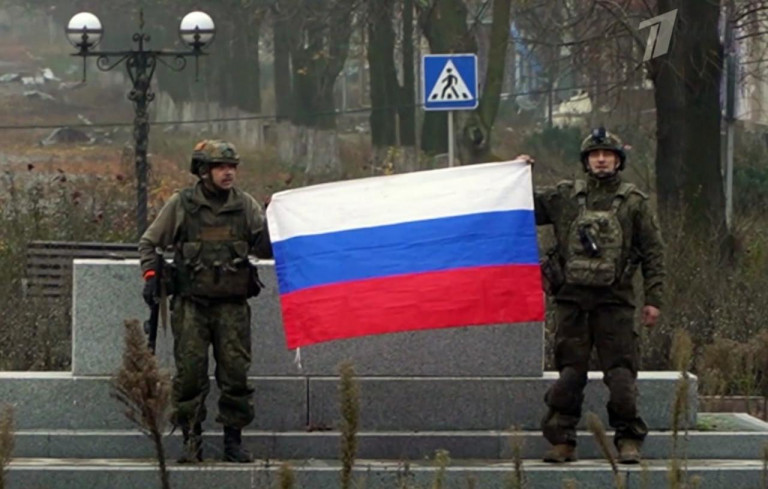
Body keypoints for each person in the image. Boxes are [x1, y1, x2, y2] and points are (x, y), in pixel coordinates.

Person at [519, 127, 665, 464]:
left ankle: (629, 439)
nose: (601, 160)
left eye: (607, 155)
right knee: (570, 376)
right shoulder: (564, 197)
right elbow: (523, 207)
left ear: (618, 161)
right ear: (586, 161)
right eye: (595, 155)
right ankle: (562, 440)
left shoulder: (635, 204)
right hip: (572, 302)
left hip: (616, 303)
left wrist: (654, 299)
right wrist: (520, 173)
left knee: (621, 377)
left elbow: (654, 253)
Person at [138, 139, 273, 463]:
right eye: (220, 167)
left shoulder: (245, 205)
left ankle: (233, 443)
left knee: (236, 375)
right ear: (203, 171)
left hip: (232, 307)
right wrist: (151, 277)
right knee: (189, 376)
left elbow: (264, 249)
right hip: (192, 307)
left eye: (232, 167)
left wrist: (274, 223)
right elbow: (149, 243)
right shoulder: (182, 204)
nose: (228, 173)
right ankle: (191, 441)